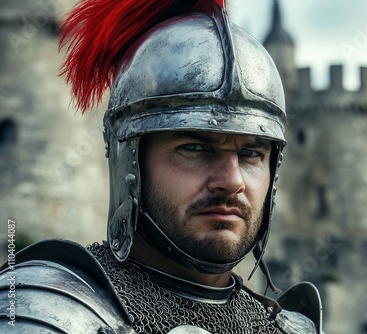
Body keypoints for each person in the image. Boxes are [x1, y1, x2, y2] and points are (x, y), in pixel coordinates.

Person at [0, 0, 322, 333]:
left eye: (252, 153)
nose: (231, 181)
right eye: (194, 148)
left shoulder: (293, 329)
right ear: (131, 159)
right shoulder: (45, 314)